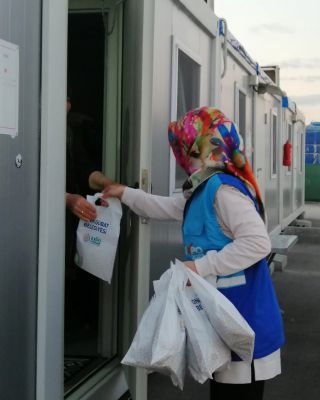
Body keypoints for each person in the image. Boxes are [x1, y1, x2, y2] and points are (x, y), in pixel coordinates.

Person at [89, 107, 285, 400]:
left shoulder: (223, 192)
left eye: (186, 149)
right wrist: (124, 193)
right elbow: (167, 207)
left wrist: (201, 266)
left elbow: (258, 243)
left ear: (202, 148)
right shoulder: (204, 190)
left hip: (245, 321)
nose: (182, 156)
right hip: (228, 319)